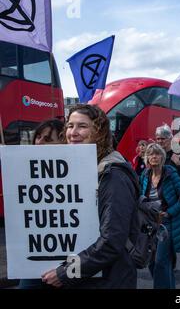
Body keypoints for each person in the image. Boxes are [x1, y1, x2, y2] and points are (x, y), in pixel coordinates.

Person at [41, 104, 140, 289]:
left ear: (99, 132)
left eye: (82, 126)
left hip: (110, 280)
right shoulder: (82, 169)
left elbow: (111, 241)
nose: (73, 132)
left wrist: (65, 273)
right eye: (70, 126)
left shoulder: (113, 175)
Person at [18, 119, 65, 289]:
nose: (39, 142)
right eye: (38, 137)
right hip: (33, 257)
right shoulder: (24, 171)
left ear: (63, 141)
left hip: (65, 260)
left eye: (47, 139)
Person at [139, 143, 180, 289]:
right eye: (151, 154)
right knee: (151, 262)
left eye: (157, 154)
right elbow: (137, 196)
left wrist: (169, 212)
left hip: (166, 224)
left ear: (162, 157)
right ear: (147, 158)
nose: (154, 156)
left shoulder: (170, 173)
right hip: (149, 224)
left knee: (161, 261)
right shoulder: (144, 176)